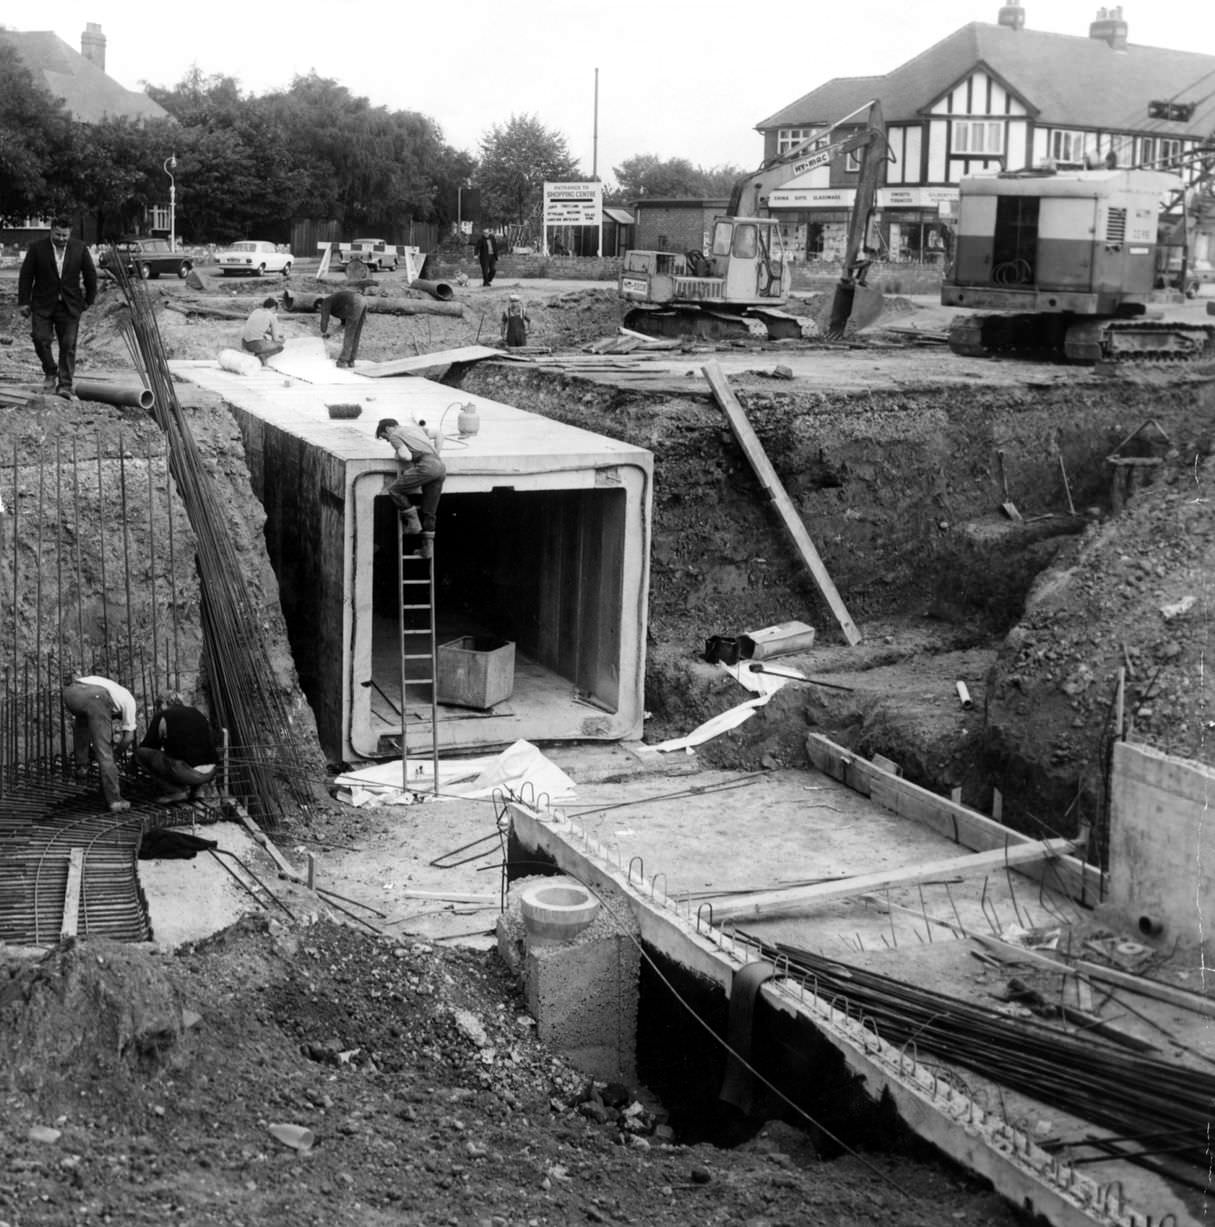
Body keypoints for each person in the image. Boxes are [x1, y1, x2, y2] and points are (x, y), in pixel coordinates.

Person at [17, 216, 98, 399]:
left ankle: (65, 385)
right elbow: (26, 275)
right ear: (51, 230)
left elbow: (90, 274)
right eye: (58, 234)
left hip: (70, 306)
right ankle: (50, 370)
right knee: (39, 338)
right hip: (42, 304)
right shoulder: (37, 248)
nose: (62, 238)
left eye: (65, 235)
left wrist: (89, 300)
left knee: (68, 345)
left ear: (70, 234)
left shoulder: (79, 248)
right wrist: (24, 301)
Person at [62, 671, 136, 813]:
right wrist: (116, 755)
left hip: (71, 693)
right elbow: (128, 738)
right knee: (104, 751)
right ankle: (115, 800)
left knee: (83, 722)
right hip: (94, 696)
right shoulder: (129, 702)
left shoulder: (115, 690)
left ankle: (82, 767)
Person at [375, 417, 446, 559]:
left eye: (385, 437)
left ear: (388, 428)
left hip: (426, 466)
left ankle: (413, 523)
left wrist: (397, 454)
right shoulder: (415, 429)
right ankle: (427, 550)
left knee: (394, 490)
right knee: (429, 511)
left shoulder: (395, 435)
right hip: (440, 467)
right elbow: (439, 434)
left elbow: (406, 457)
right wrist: (437, 453)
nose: (388, 441)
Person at [135, 697, 221, 805]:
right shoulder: (197, 712)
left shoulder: (163, 715)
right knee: (192, 754)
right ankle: (198, 790)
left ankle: (176, 791)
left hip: (186, 772)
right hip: (211, 772)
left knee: (140, 753)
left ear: (163, 705)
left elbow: (149, 746)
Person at [318, 289, 368, 368]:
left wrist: (322, 332)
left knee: (349, 335)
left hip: (354, 302)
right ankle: (351, 361)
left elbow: (324, 321)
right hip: (362, 301)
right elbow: (343, 324)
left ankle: (342, 361)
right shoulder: (339, 305)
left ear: (319, 305)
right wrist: (330, 334)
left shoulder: (325, 302)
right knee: (356, 334)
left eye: (319, 309)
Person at [240, 296, 285, 364]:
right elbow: (275, 339)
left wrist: (272, 333)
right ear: (273, 308)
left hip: (244, 343)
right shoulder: (272, 316)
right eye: (275, 310)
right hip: (255, 345)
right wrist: (281, 340)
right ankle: (261, 357)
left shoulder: (256, 311)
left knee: (264, 338)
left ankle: (258, 353)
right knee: (279, 347)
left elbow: (260, 328)